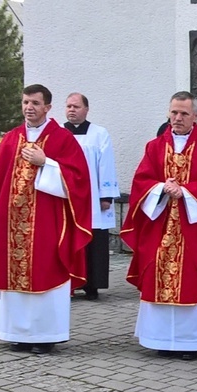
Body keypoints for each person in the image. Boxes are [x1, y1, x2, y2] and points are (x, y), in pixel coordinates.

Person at [0, 84, 92, 355]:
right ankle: (16, 333)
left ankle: (45, 336)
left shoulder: (62, 139)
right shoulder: (12, 139)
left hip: (48, 224)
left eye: (35, 103)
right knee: (12, 274)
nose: (29, 108)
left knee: (46, 273)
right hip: (10, 224)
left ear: (47, 107)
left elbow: (79, 180)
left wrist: (46, 162)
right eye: (25, 102)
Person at [121, 91, 197, 358]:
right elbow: (141, 181)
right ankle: (160, 339)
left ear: (196, 116)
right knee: (157, 275)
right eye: (174, 112)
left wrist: (186, 191)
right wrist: (161, 187)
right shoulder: (154, 147)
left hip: (194, 231)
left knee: (194, 280)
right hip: (160, 228)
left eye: (184, 113)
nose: (178, 118)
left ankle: (191, 343)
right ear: (168, 114)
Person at [64, 92, 120, 300]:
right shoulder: (59, 133)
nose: (72, 110)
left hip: (93, 198)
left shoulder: (99, 134)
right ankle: (68, 283)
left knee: (94, 240)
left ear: (86, 110)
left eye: (76, 106)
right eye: (69, 106)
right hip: (67, 197)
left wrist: (106, 196)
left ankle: (92, 284)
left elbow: (106, 164)